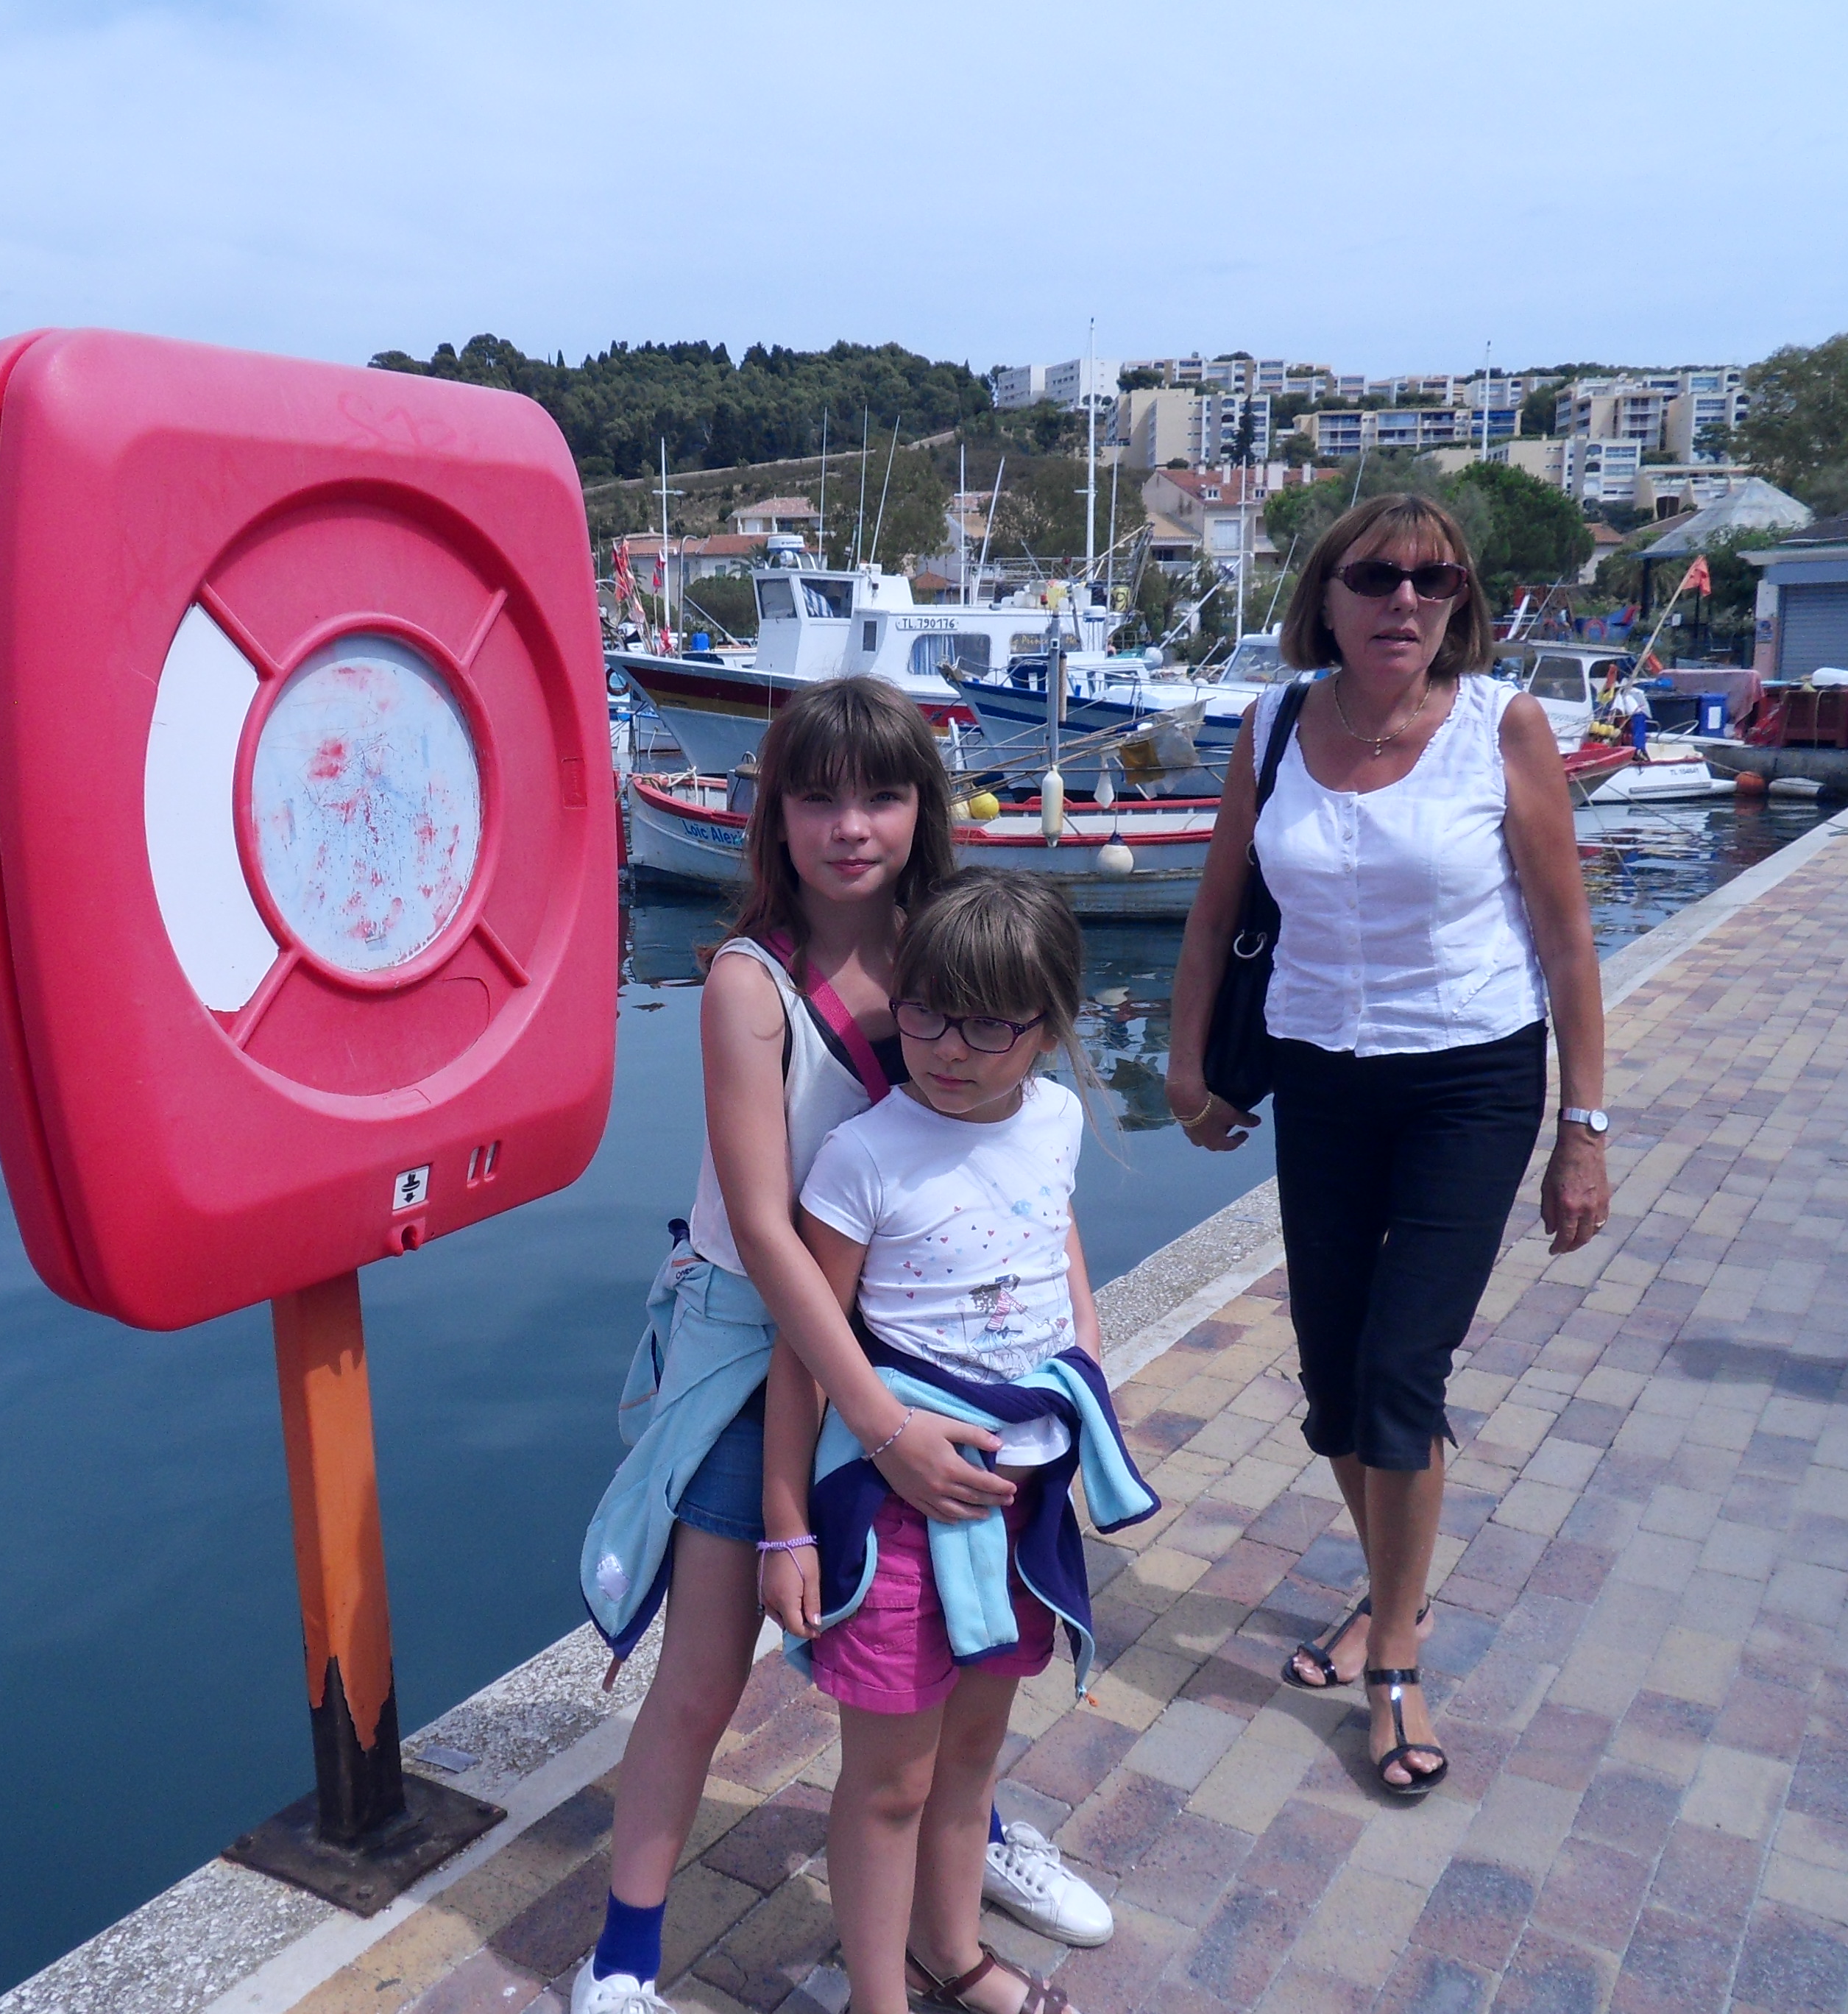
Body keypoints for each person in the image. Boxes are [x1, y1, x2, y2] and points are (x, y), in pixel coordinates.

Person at [576, 687, 1110, 2014]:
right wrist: (877, 1424)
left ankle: (968, 1852)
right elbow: (765, 1229)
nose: (850, 826)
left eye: (881, 795)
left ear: (927, 806)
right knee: (705, 1674)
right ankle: (624, 1954)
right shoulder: (749, 982)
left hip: (928, 1336)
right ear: (776, 816)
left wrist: (1079, 1367)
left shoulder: (953, 942)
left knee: (966, 1638)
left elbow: (1021, 1153)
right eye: (817, 798)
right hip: (766, 1342)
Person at [1162, 495, 1610, 1799]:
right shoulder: (1275, 724)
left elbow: (1567, 940)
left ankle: (1397, 1659)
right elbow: (1215, 915)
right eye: (1375, 576)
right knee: (1331, 1384)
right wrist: (1186, 1069)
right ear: (1328, 593)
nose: (1404, 599)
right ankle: (1390, 1588)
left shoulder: (1501, 727)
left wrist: (1583, 1129)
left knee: (1401, 1369)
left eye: (1434, 579)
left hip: (1469, 1082)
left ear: (1460, 599)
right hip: (1322, 1080)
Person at [762, 872, 1156, 2014]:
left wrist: (1082, 1347)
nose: (947, 1047)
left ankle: (952, 1949)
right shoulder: (863, 1157)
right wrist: (785, 1526)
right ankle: (877, 1996)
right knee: (891, 1779)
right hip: (897, 1510)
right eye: (928, 1012)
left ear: (1050, 1025)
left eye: (990, 1026)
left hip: (1019, 1498)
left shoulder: (1058, 1118)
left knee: (973, 1756)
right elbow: (805, 1348)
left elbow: (1053, 1232)